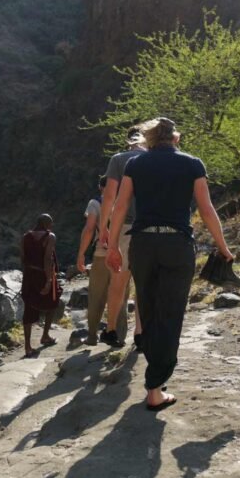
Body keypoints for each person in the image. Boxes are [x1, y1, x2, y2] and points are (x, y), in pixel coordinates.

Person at [106, 118, 238, 412]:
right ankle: (155, 387)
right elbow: (206, 209)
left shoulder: (135, 165)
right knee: (171, 314)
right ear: (175, 138)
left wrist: (113, 246)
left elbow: (121, 207)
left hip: (142, 244)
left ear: (150, 139)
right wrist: (223, 246)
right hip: (177, 246)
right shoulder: (192, 164)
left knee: (149, 310)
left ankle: (155, 382)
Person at [97, 126, 146, 348]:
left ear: (128, 141)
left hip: (125, 226)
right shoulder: (155, 159)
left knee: (118, 282)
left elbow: (109, 197)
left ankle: (111, 330)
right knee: (143, 283)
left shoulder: (119, 160)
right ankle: (140, 332)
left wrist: (105, 228)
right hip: (148, 227)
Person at [75, 177, 127, 345]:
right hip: (123, 255)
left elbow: (90, 228)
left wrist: (81, 253)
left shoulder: (95, 203)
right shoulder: (126, 202)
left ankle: (91, 336)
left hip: (101, 254)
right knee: (121, 295)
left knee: (96, 296)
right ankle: (118, 336)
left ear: (100, 187)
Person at [20, 214, 62, 358]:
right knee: (52, 303)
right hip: (44, 275)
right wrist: (49, 281)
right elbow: (48, 259)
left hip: (29, 276)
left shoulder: (26, 236)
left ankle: (27, 346)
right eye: (51, 223)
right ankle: (45, 335)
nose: (52, 226)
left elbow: (23, 258)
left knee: (29, 307)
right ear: (46, 224)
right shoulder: (50, 237)